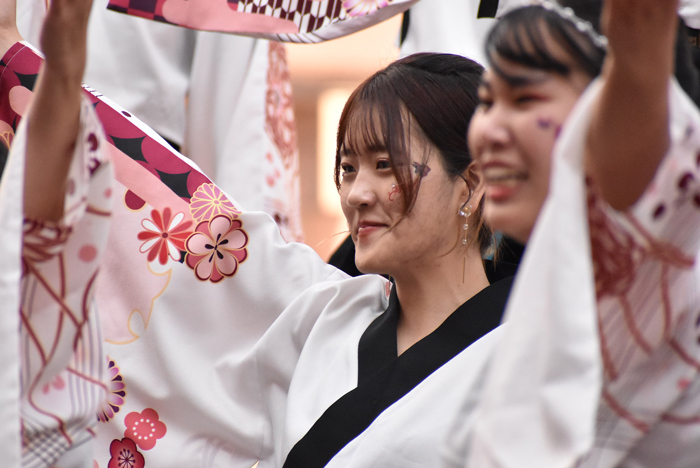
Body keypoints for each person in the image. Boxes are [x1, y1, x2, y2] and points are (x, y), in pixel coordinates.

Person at [0, 0, 513, 462]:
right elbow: (175, 219)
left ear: (470, 183)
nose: (357, 194)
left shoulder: (529, 358)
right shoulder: (324, 316)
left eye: (386, 165)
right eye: (349, 168)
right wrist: (19, 67)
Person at [440, 0, 700, 467]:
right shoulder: (552, 288)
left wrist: (636, 46)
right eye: (486, 102)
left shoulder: (651, 204)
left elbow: (637, 52)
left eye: (525, 99)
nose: (488, 131)